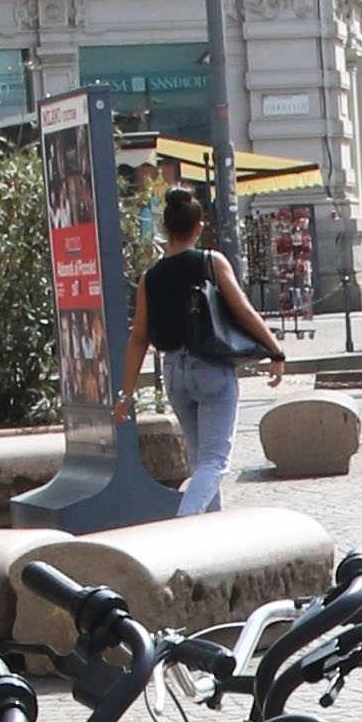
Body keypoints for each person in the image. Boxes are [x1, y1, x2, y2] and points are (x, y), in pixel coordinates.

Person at [121, 182, 283, 508]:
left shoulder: (149, 278)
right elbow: (244, 311)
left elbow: (139, 336)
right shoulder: (211, 262)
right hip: (210, 366)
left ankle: (209, 534)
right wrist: (274, 350)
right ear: (199, 227)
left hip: (174, 372)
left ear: (165, 228)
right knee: (215, 462)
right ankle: (184, 525)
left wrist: (126, 395)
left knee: (200, 462)